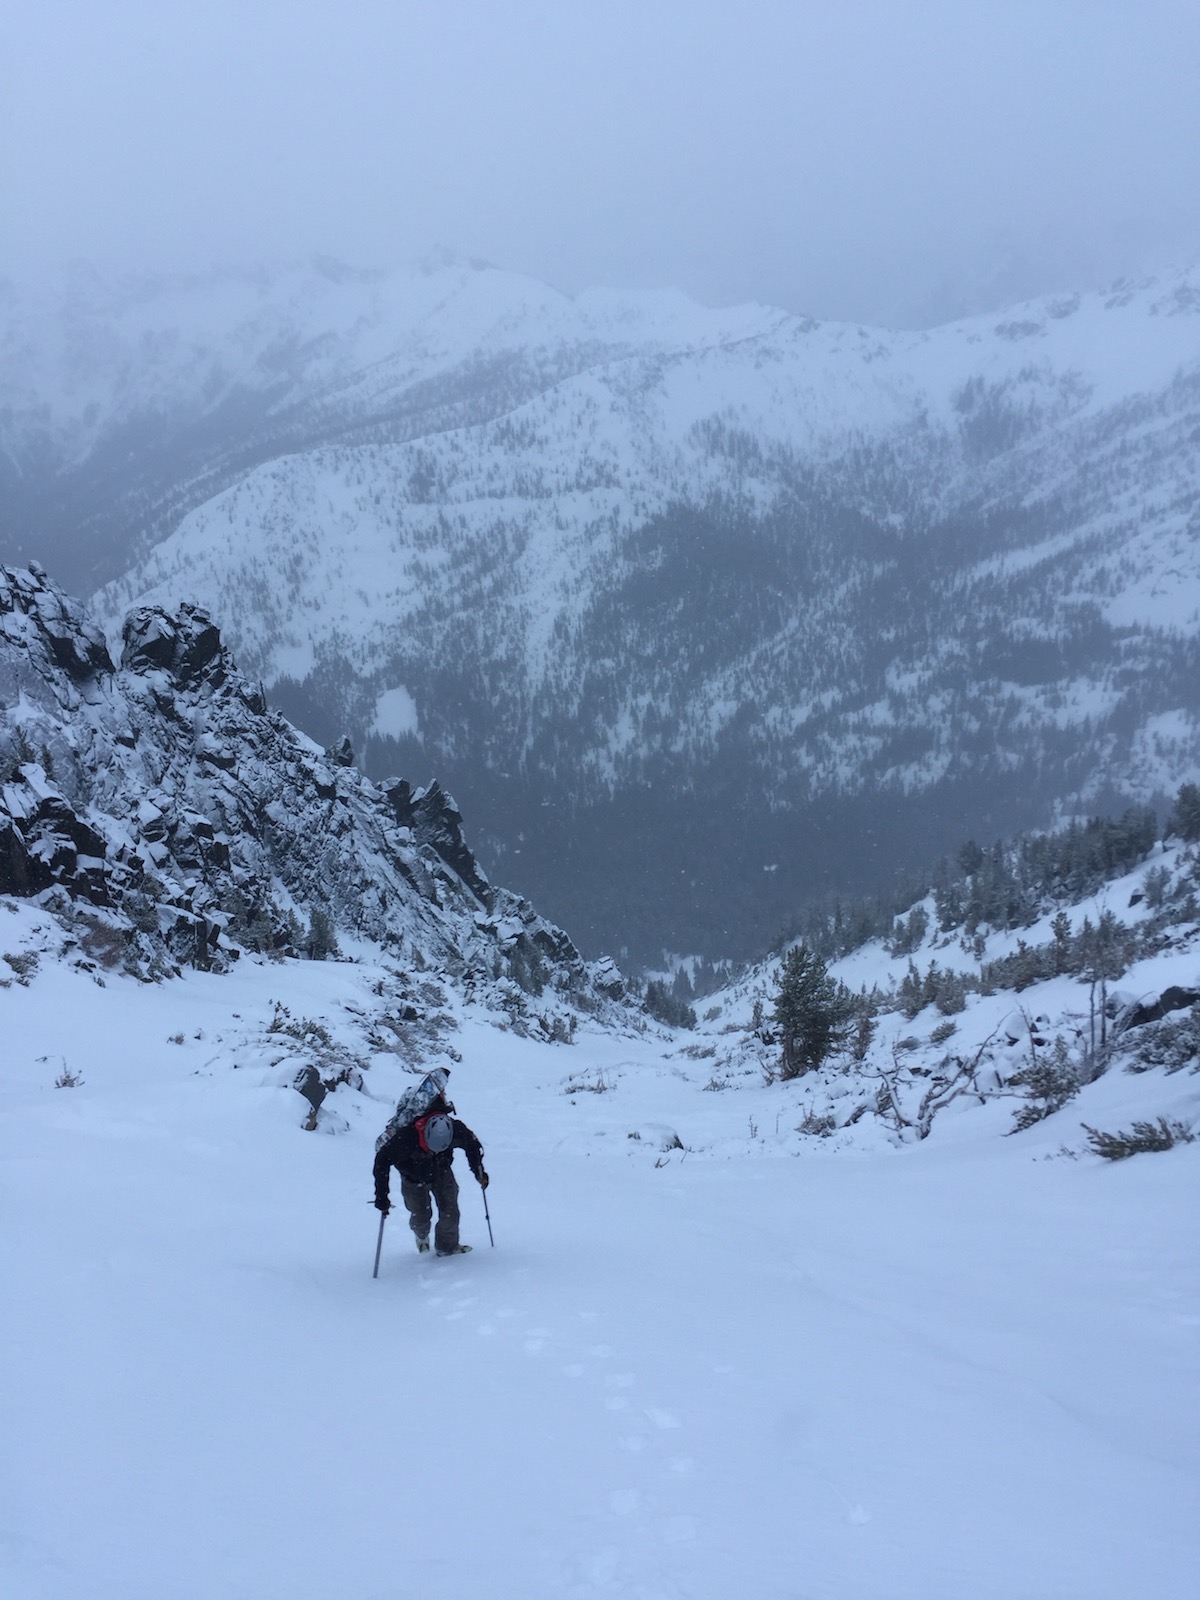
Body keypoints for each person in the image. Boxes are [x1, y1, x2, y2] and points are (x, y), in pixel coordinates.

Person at [373, 1092, 488, 1256]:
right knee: (421, 1215)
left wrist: (479, 1171)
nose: (434, 1152)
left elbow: (472, 1146)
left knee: (450, 1211)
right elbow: (381, 1162)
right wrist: (382, 1197)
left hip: (442, 1172)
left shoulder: (455, 1129)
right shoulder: (406, 1138)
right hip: (412, 1178)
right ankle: (421, 1237)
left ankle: (446, 1247)